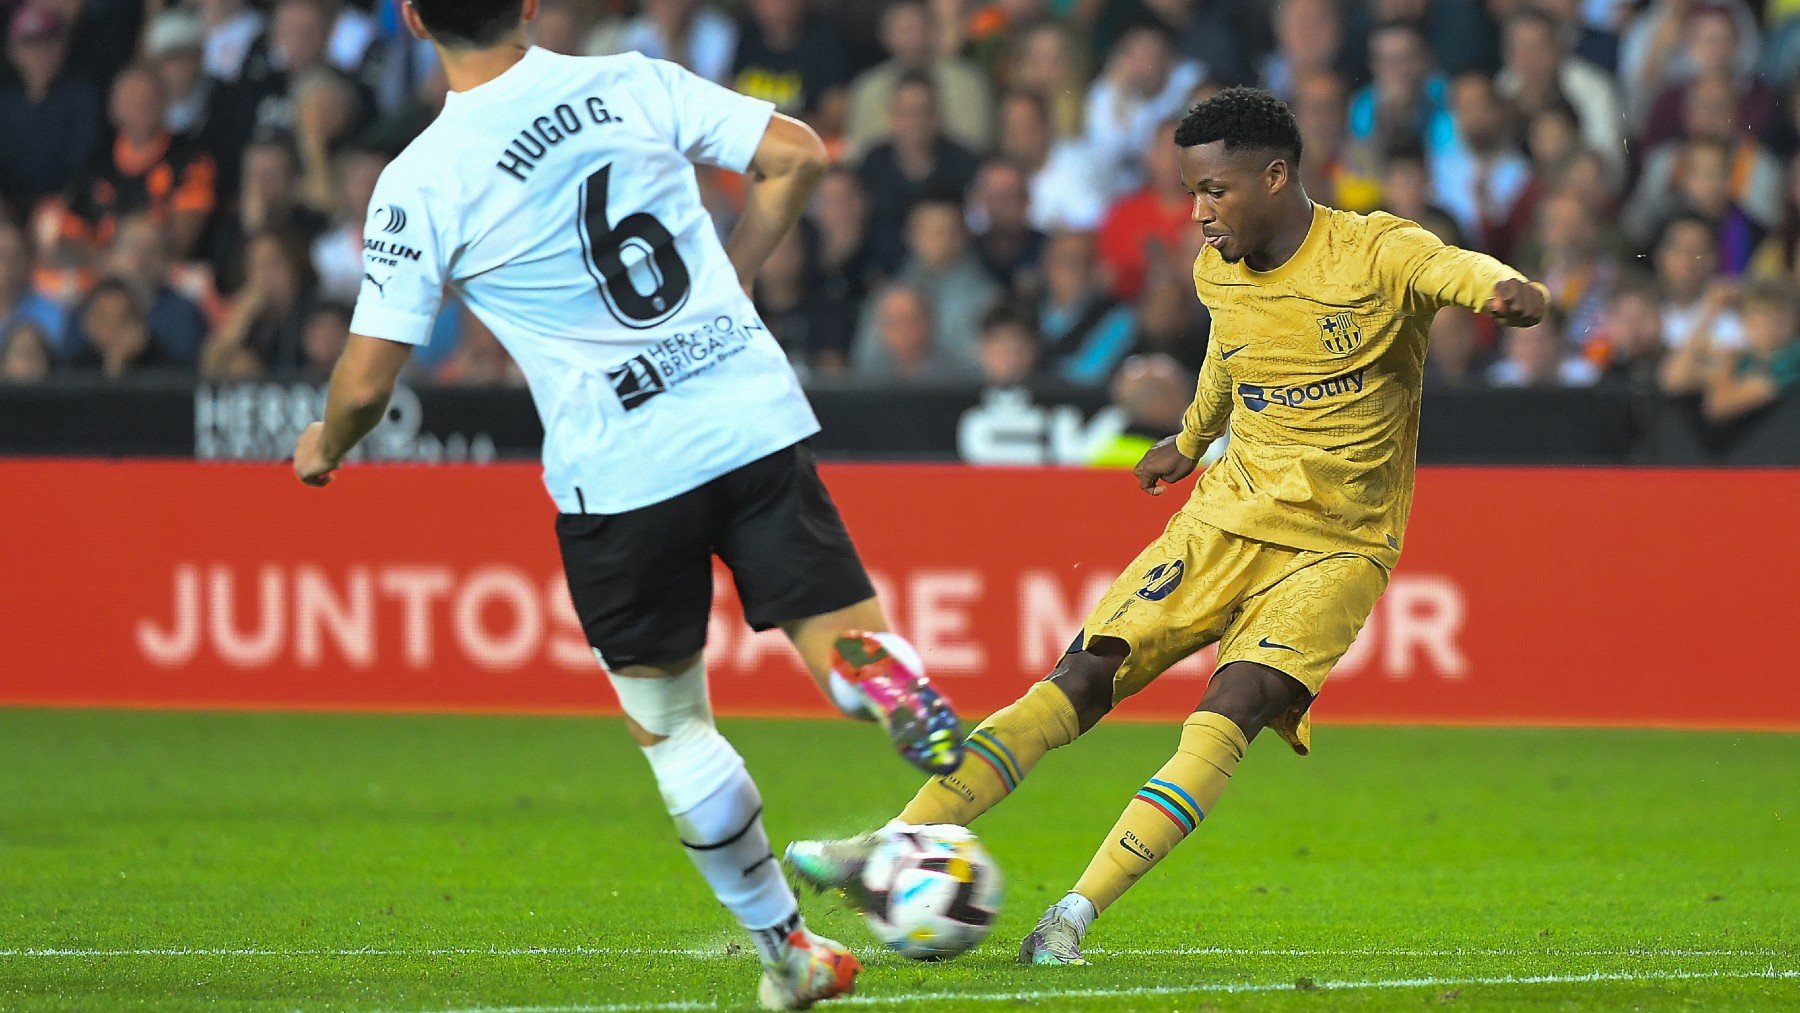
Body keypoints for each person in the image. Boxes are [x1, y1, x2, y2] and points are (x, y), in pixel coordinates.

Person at [287, 4, 967, 1007]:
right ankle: (888, 678)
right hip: (745, 409)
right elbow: (798, 156)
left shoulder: (418, 182)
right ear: (524, 5)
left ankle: (791, 948)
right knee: (838, 631)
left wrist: (323, 445)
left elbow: (360, 386)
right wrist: (729, 276)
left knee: (673, 726)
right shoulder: (630, 80)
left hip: (621, 467)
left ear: (414, 19)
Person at [787, 86, 1547, 965]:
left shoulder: (1374, 250)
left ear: (1275, 175)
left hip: (1338, 545)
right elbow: (1230, 353)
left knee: (1235, 703)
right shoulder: (1217, 269)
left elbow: (1452, 268)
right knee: (1079, 678)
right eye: (1192, 191)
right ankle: (882, 848)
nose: (1199, 212)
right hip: (1223, 518)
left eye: (1215, 191)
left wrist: (1503, 289)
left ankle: (1070, 915)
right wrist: (1187, 440)